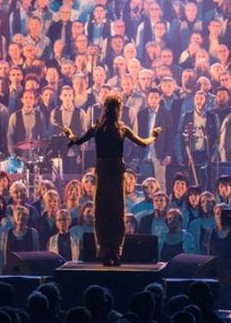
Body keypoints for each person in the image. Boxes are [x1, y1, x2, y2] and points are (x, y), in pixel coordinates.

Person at [64, 94, 161, 266]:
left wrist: (69, 134)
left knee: (102, 212)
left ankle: (103, 251)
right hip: (116, 171)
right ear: (118, 110)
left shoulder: (97, 129)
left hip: (102, 171)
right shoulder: (122, 129)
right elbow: (144, 143)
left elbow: (77, 141)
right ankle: (116, 252)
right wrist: (154, 135)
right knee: (117, 212)